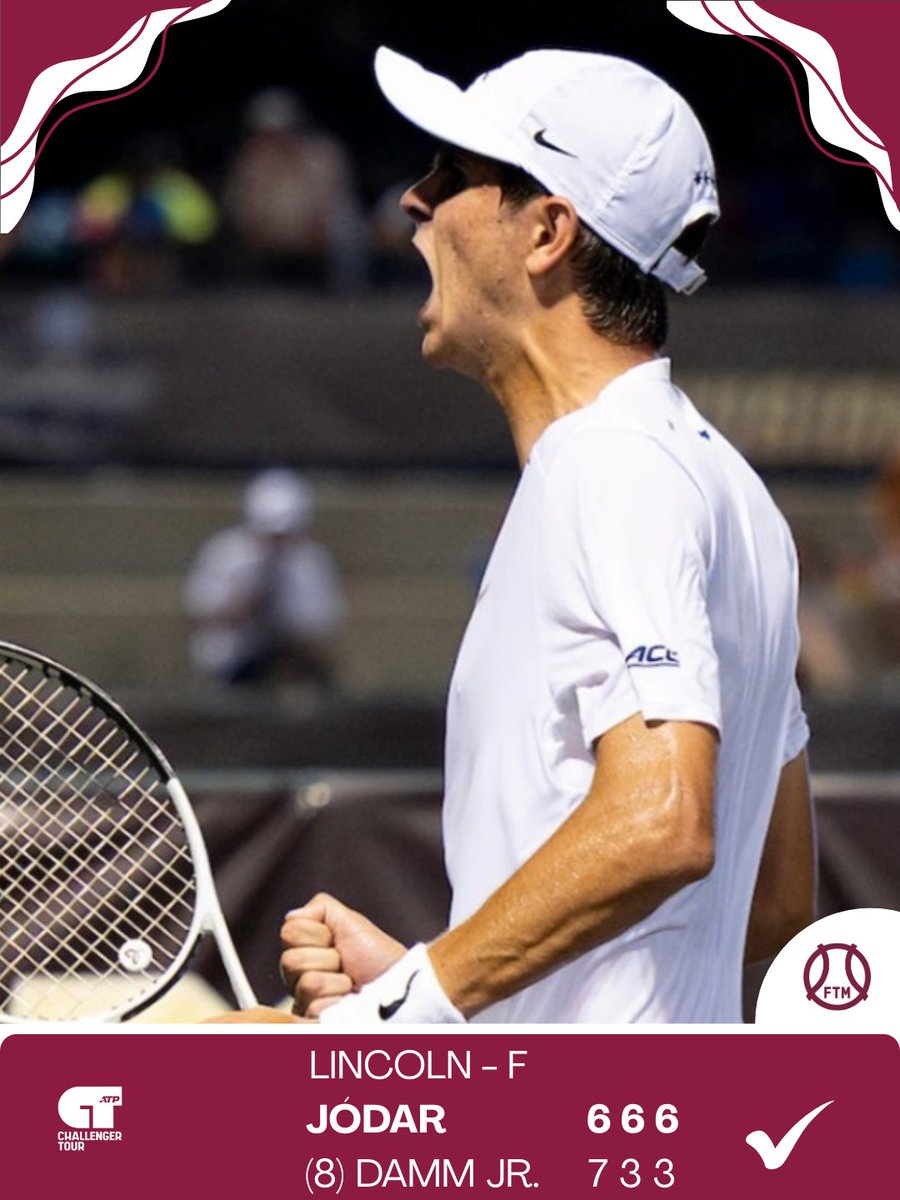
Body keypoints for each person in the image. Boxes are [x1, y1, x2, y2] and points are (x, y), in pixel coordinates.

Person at [272, 47, 816, 1026]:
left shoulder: (610, 466)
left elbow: (664, 823)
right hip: (652, 1139)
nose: (414, 200)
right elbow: (771, 910)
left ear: (548, 230)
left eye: (453, 174)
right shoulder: (735, 496)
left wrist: (409, 1002)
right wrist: (462, 979)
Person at [183, 468, 344, 690]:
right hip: (233, 666)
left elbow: (319, 626)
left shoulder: (310, 563)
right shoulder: (225, 553)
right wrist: (242, 605)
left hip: (290, 666)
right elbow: (198, 611)